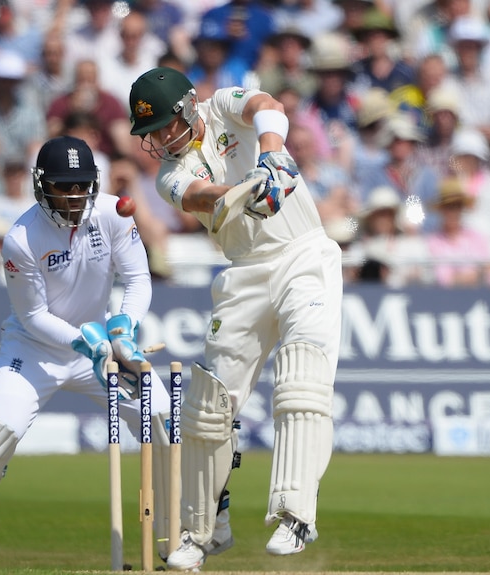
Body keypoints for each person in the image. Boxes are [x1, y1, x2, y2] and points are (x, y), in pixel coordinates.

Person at [0, 135, 174, 569]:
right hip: (34, 350)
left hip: (102, 350)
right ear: (41, 185)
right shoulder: (21, 238)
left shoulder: (113, 213)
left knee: (163, 418)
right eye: (62, 187)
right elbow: (33, 315)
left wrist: (124, 328)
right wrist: (83, 340)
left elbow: (139, 280)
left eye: (80, 185)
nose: (73, 196)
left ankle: (173, 536)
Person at [127, 67, 342, 570]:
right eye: (150, 134)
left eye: (163, 126)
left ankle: (295, 514)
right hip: (243, 273)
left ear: (186, 109)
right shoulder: (169, 175)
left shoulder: (221, 105)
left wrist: (273, 156)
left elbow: (268, 105)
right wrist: (253, 189)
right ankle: (200, 532)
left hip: (304, 256)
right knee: (207, 408)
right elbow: (205, 197)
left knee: (302, 377)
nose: (158, 141)